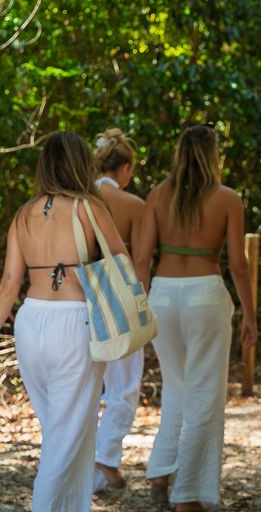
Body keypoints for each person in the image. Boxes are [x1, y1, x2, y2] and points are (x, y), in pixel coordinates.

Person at [0, 132, 128, 511]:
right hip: (75, 323)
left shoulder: (23, 214)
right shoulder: (90, 209)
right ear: (80, 163)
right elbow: (120, 262)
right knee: (66, 434)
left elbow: (9, 284)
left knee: (64, 429)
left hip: (31, 321)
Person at [133, 124, 257, 512]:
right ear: (212, 155)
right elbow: (237, 264)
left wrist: (140, 305)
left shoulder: (156, 195)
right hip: (205, 293)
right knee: (205, 395)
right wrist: (251, 314)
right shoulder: (227, 199)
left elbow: (141, 259)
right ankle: (188, 492)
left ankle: (159, 471)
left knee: (177, 387)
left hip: (163, 294)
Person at [92, 128, 146, 492]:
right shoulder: (134, 206)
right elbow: (140, 263)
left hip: (77, 299)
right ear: (125, 168)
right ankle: (106, 457)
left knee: (83, 387)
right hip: (119, 300)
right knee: (123, 386)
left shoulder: (75, 200)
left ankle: (89, 469)